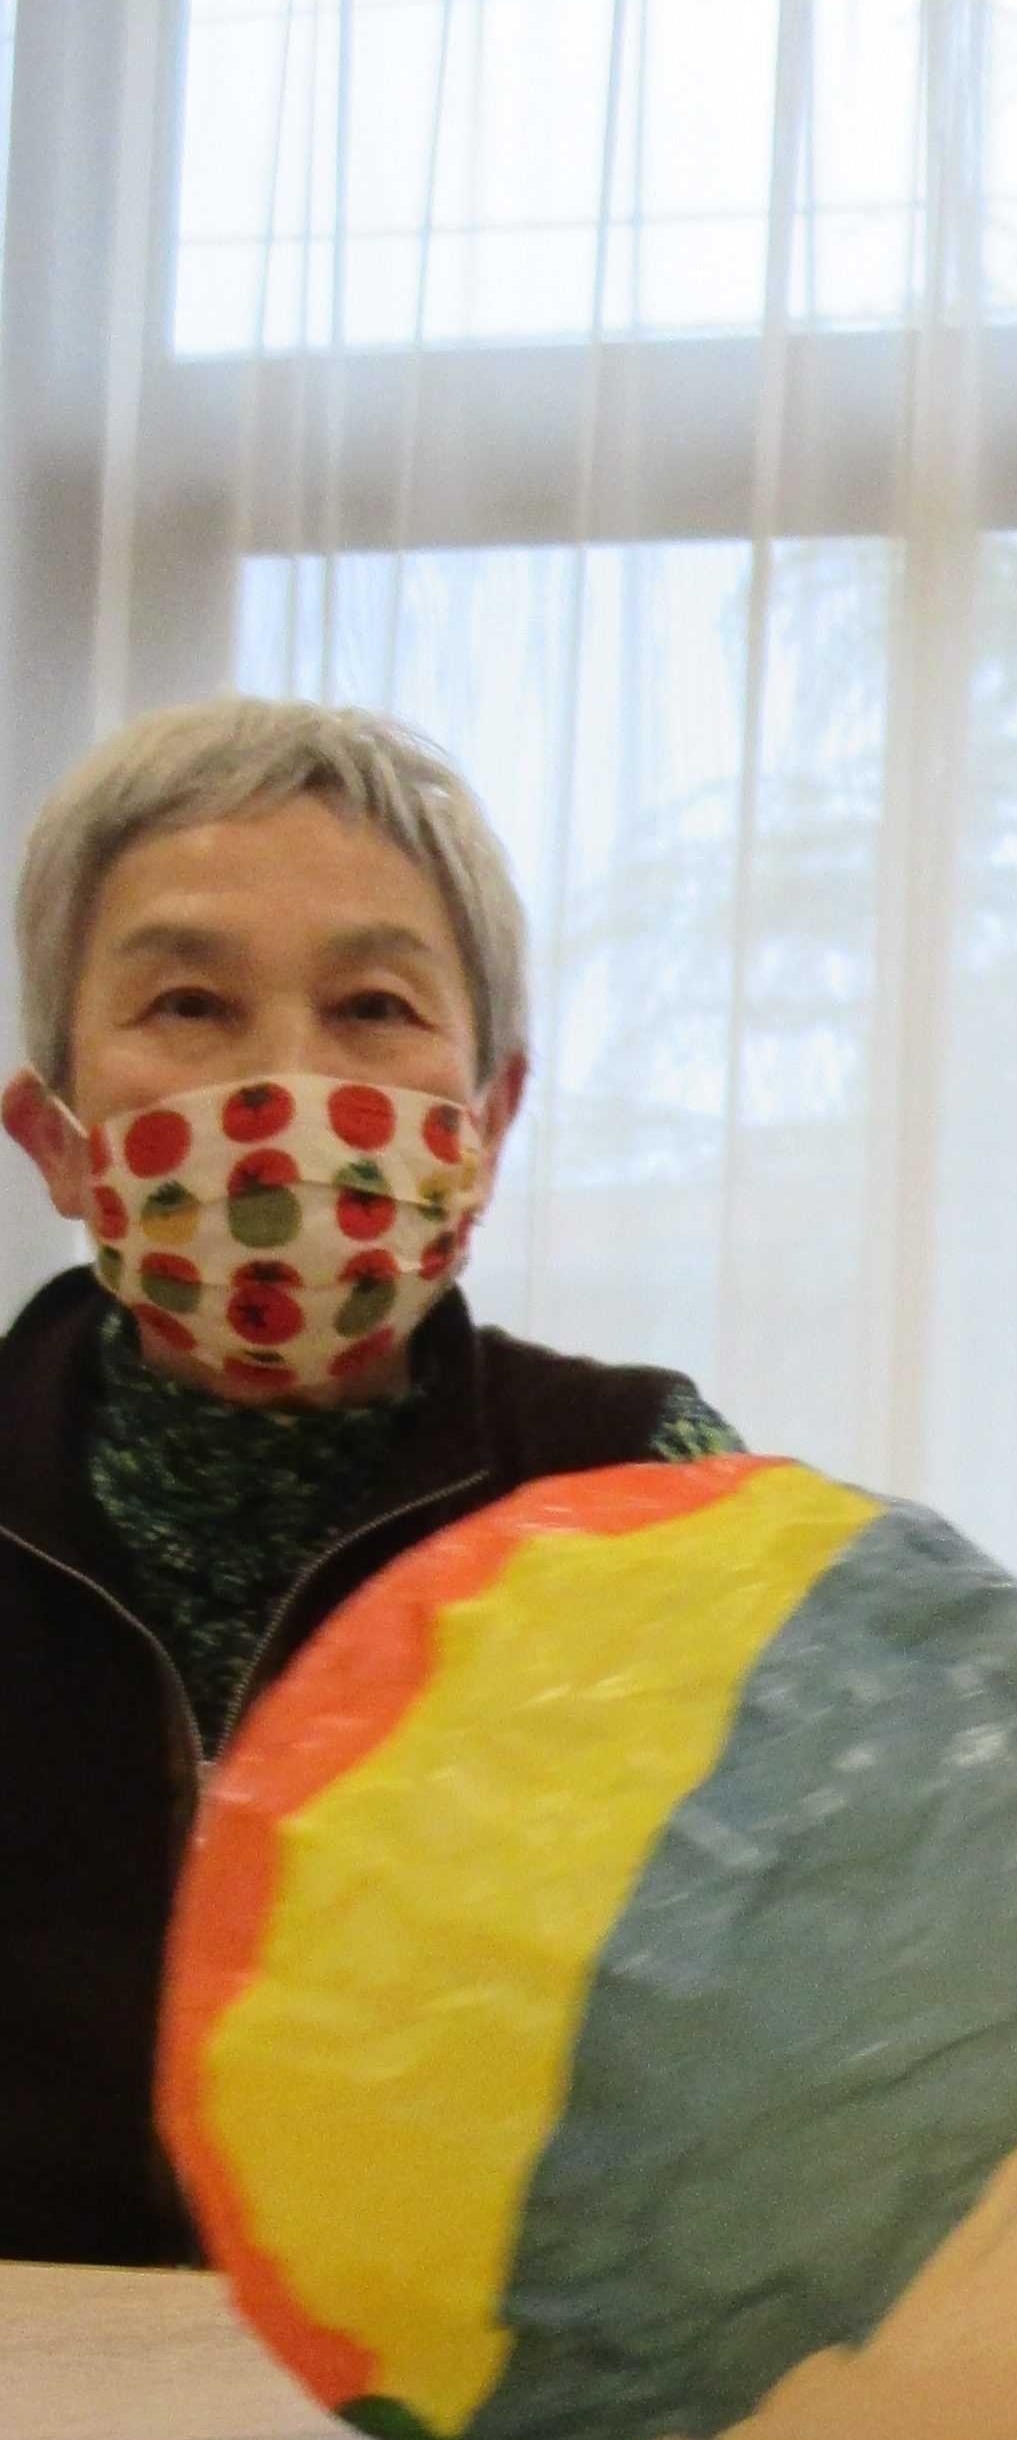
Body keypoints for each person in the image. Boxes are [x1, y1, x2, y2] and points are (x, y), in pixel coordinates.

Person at [0, 697, 738, 2267]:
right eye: (188, 1004)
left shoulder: (641, 1490)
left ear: (487, 1126)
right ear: (51, 1136)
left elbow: (804, 1958)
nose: (283, 1084)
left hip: (477, 2389)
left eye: (374, 1008)